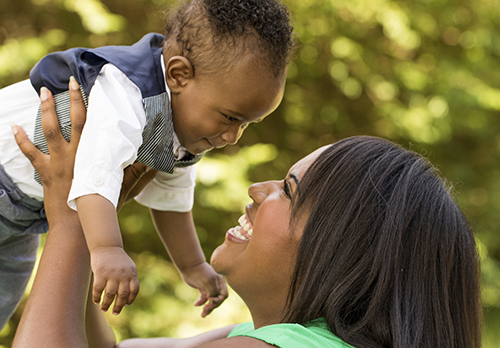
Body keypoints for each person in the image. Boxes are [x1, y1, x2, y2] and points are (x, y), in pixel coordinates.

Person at [12, 85, 482, 348]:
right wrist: (97, 227)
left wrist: (71, 214)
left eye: (289, 190)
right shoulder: (255, 336)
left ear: (344, 245)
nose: (258, 190)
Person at [0, 0, 296, 328]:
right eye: (230, 117)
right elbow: (96, 173)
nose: (233, 136)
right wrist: (108, 249)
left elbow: (173, 199)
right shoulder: (128, 92)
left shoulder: (180, 132)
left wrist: (193, 265)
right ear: (179, 75)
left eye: (246, 125)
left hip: (24, 217)